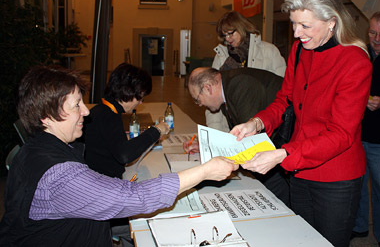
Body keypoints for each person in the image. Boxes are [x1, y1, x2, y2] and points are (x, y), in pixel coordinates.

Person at [0, 65, 238, 245]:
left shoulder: (39, 148)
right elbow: (134, 198)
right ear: (47, 116)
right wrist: (205, 171)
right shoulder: (59, 175)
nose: (85, 111)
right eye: (76, 105)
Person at [229, 0, 372, 247]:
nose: (296, 34)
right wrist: (257, 122)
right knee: (302, 239)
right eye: (294, 24)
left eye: (305, 26)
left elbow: (341, 134)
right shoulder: (300, 51)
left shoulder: (355, 61)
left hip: (336, 177)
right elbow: (285, 101)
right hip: (299, 170)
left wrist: (284, 154)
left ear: (331, 21)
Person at [188, 67, 290, 206]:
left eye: (197, 99)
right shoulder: (227, 90)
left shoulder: (240, 84)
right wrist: (208, 147)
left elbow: (250, 140)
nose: (199, 105)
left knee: (274, 192)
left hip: (285, 145)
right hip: (275, 143)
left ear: (207, 88)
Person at [84, 63, 169, 179]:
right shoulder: (108, 116)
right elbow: (124, 155)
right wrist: (156, 130)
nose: (140, 103)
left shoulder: (102, 109)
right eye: (140, 97)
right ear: (129, 91)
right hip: (103, 182)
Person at [207, 10, 286, 132]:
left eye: (230, 33)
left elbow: (283, 91)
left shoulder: (269, 51)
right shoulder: (221, 56)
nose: (227, 39)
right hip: (232, 128)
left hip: (266, 125)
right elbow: (213, 100)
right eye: (224, 35)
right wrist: (215, 134)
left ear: (242, 28)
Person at [352, 11, 380, 244]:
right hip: (357, 135)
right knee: (358, 187)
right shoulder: (361, 55)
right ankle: (360, 227)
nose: (377, 39)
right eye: (372, 32)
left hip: (379, 140)